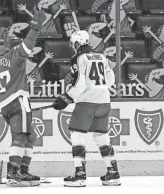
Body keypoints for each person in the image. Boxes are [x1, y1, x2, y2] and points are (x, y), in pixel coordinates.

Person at [52, 30, 121, 187]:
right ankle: (113, 173)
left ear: (77, 43)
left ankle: (80, 175)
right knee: (102, 137)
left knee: (77, 134)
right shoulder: (101, 56)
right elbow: (111, 77)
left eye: (73, 43)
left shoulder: (78, 58)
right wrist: (100, 88)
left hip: (86, 103)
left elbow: (81, 83)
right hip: (104, 101)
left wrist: (66, 98)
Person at [0, 11, 46, 187]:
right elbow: (28, 44)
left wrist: (1, 41)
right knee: (21, 137)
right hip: (18, 101)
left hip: (6, 104)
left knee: (30, 136)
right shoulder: (14, 54)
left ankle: (23, 171)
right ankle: (14, 172)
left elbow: (0, 48)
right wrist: (35, 28)